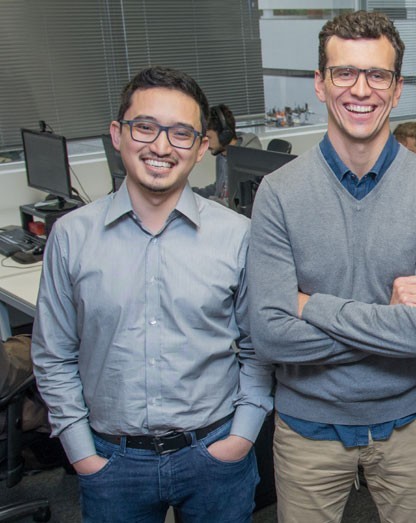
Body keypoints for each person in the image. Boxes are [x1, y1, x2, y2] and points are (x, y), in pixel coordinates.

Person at [247, 10, 416, 522]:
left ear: (397, 88)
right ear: (320, 84)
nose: (360, 89)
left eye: (377, 75)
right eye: (344, 72)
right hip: (307, 431)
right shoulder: (278, 194)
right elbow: (270, 336)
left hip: (409, 426)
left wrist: (309, 305)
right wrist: (387, 318)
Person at [31, 66, 274, 522]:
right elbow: (53, 355)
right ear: (117, 134)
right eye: (145, 127)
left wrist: (241, 436)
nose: (161, 146)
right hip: (112, 462)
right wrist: (82, 453)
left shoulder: (238, 236)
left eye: (181, 133)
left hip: (214, 456)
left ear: (202, 148)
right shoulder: (71, 236)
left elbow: (257, 348)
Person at [192, 103, 262, 201]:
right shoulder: (222, 156)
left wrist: (211, 203)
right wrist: (192, 193)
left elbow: (241, 203)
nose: (205, 143)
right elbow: (219, 189)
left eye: (209, 137)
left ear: (224, 135)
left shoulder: (248, 158)